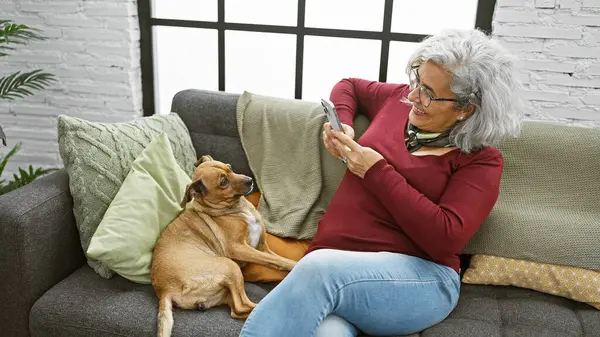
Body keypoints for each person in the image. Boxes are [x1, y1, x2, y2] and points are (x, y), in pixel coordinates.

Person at [239, 28, 524, 337]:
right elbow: (348, 86)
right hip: (336, 272)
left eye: (428, 92)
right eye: (417, 81)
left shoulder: (481, 161)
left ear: (465, 109)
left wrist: (377, 172)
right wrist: (344, 124)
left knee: (316, 270)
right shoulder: (396, 101)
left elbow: (445, 237)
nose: (413, 96)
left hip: (419, 280)